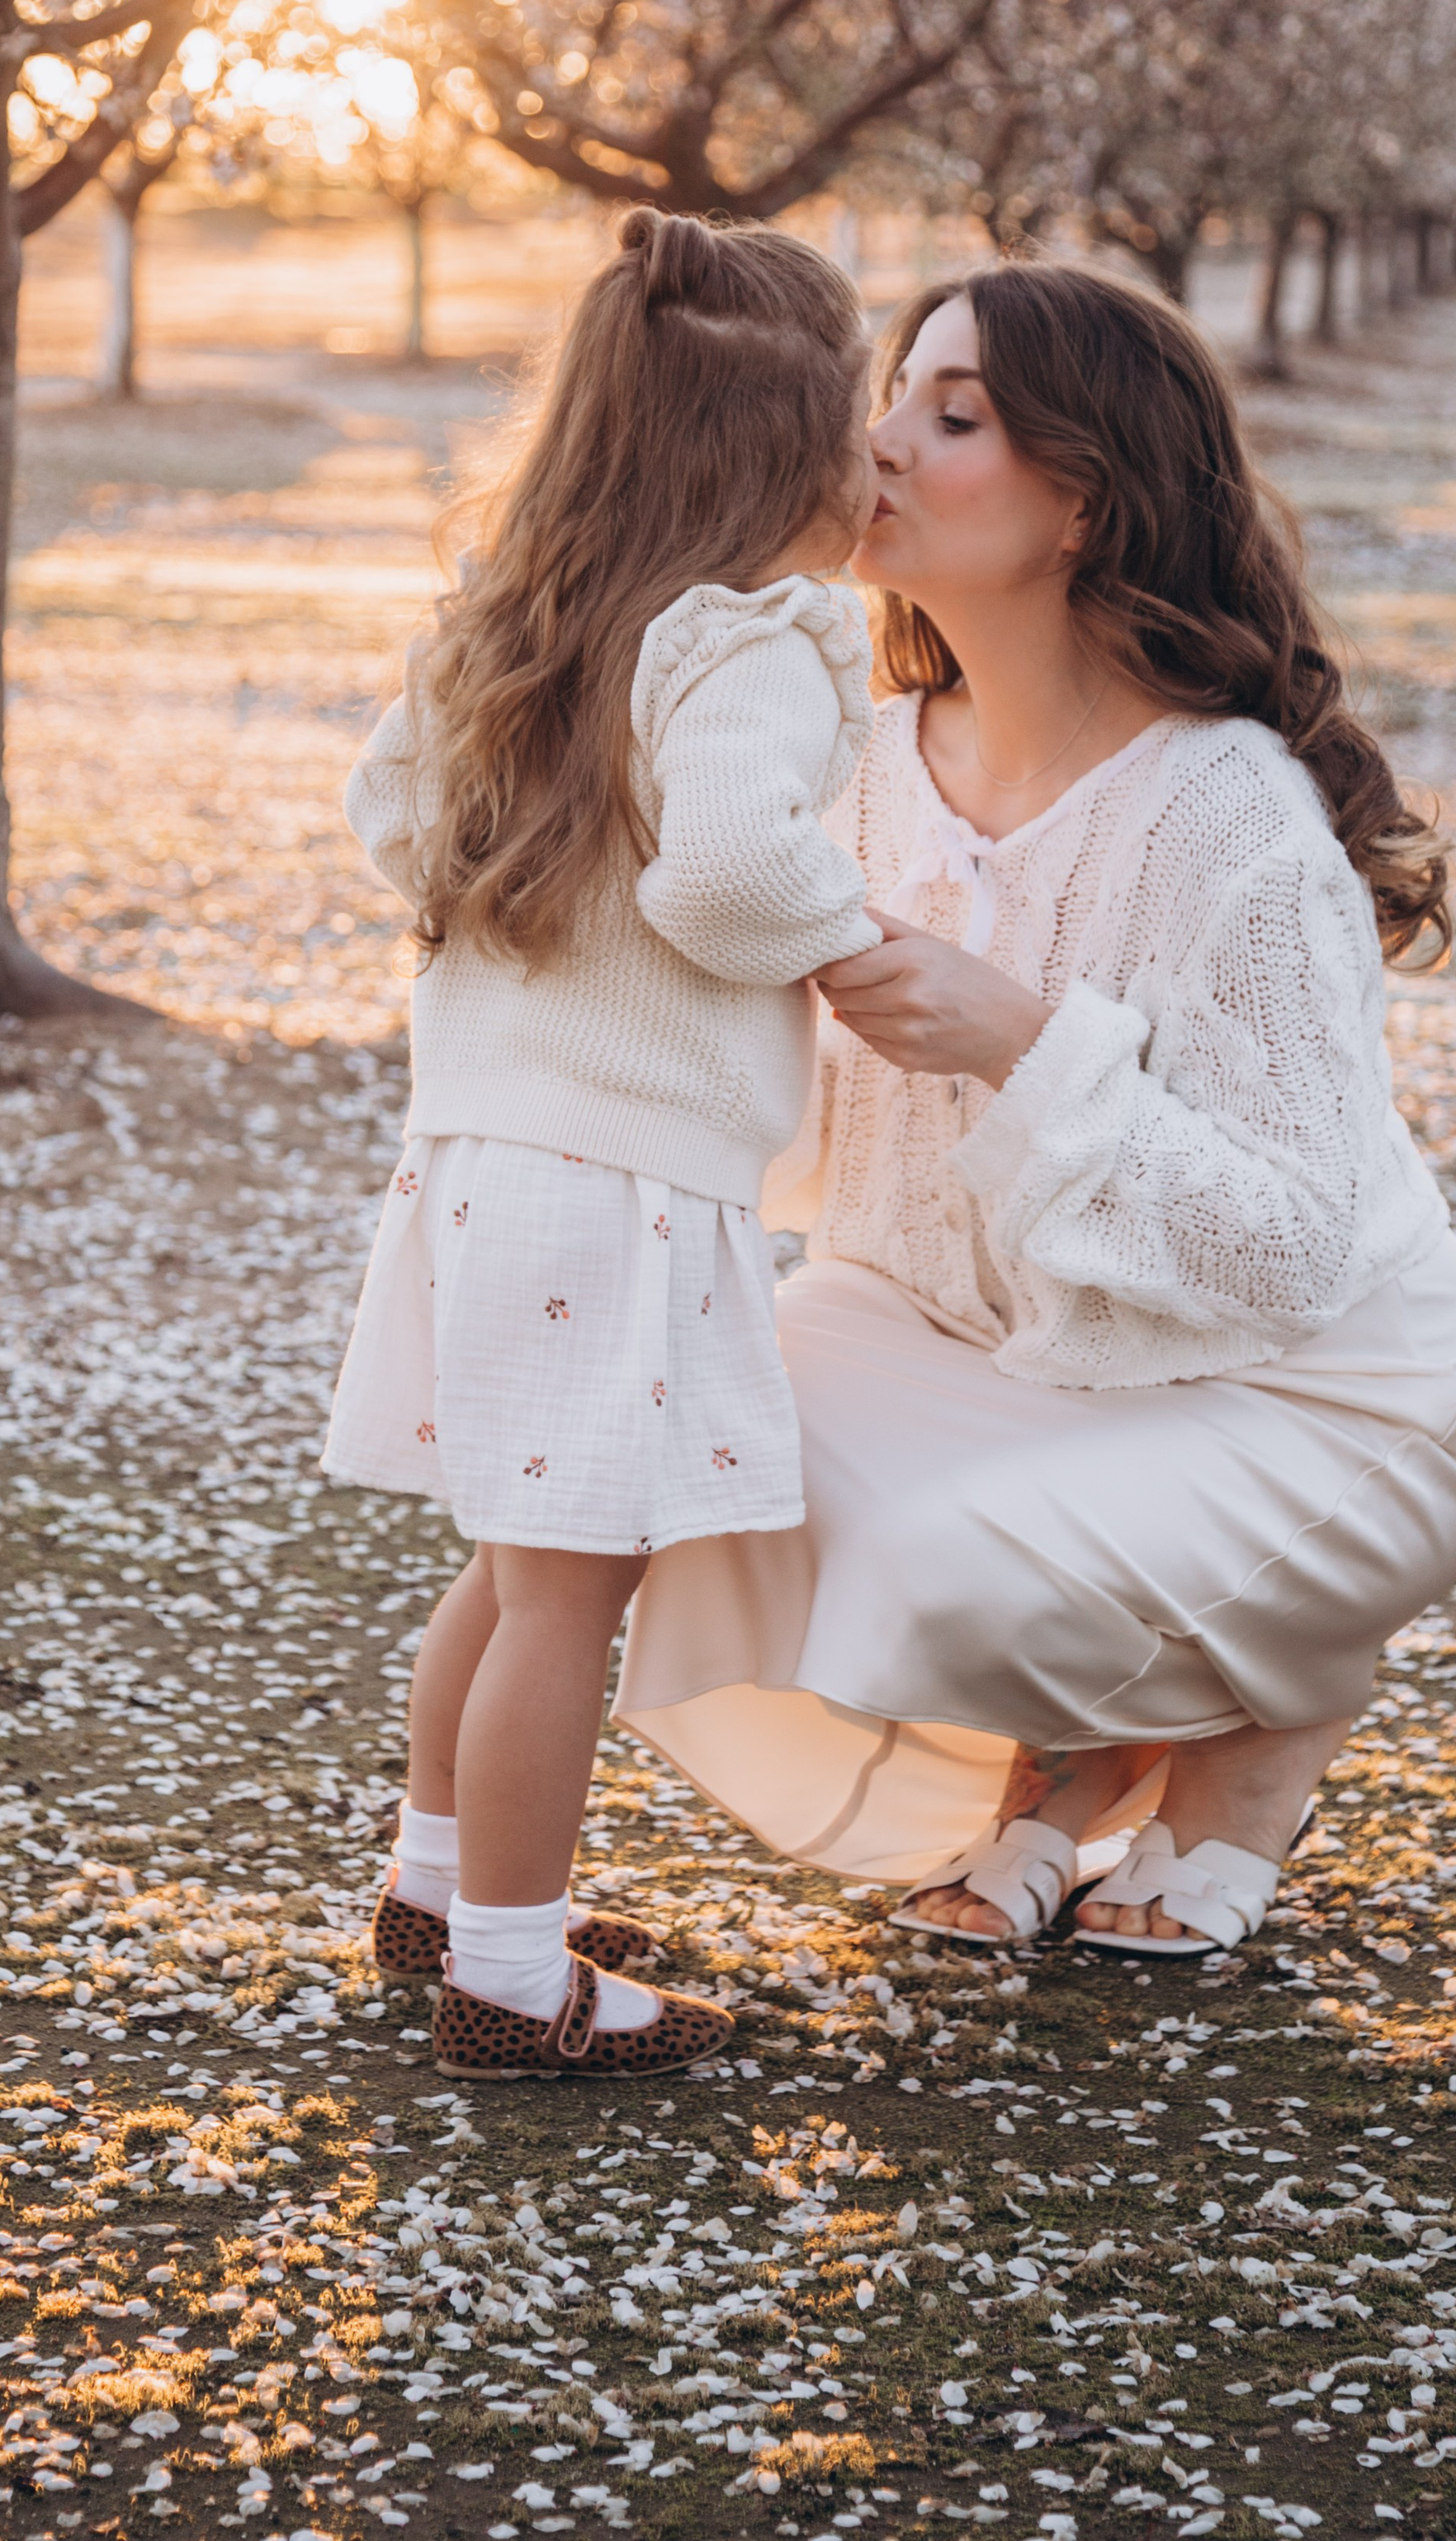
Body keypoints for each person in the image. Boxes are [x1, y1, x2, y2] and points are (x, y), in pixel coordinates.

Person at [616, 259, 1456, 1959]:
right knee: (679, 1436)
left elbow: (1283, 1246)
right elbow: (800, 1120)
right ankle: (1093, 1740)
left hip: (1311, 1390)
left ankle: (1264, 1719)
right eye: (889, 395)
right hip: (977, 1340)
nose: (874, 443)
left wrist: (1022, 1043)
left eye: (947, 416)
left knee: (938, 1570)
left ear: (1081, 504)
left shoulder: (1227, 814)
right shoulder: (858, 756)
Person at [324, 206, 884, 2073]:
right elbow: (731, 866)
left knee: (511, 1552)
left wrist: (532, 906)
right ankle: (508, 1972)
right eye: (862, 418)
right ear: (780, 455)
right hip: (619, 1178)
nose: (879, 457)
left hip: (489, 1145)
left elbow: (386, 813)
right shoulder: (747, 647)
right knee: (574, 1582)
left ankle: (442, 1882)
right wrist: (849, 936)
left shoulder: (518, 614)